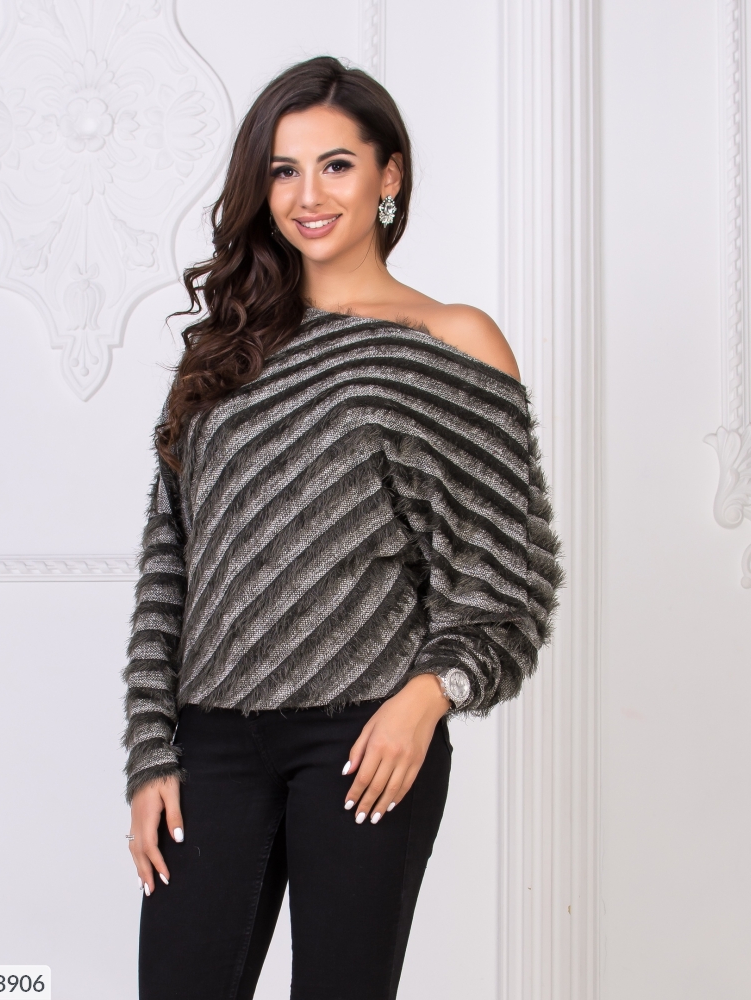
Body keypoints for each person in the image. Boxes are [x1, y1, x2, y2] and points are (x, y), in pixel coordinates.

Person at [122, 55, 563, 1000]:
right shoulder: (224, 349)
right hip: (211, 742)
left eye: (336, 165)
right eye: (283, 170)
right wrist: (150, 749)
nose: (307, 195)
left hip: (365, 737)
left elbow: (508, 573)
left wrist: (426, 699)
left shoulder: (453, 339)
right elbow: (170, 563)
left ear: (388, 174)